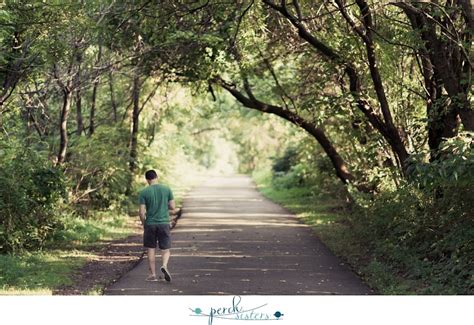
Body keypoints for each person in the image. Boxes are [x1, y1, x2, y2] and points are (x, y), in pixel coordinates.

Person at [138, 169, 175, 282]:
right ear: (156, 177)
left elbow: (141, 212)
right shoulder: (167, 189)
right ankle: (164, 265)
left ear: (147, 180)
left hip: (150, 224)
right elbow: (172, 206)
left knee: (151, 249)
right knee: (165, 249)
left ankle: (152, 275)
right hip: (163, 223)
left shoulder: (144, 192)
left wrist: (144, 223)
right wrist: (164, 206)